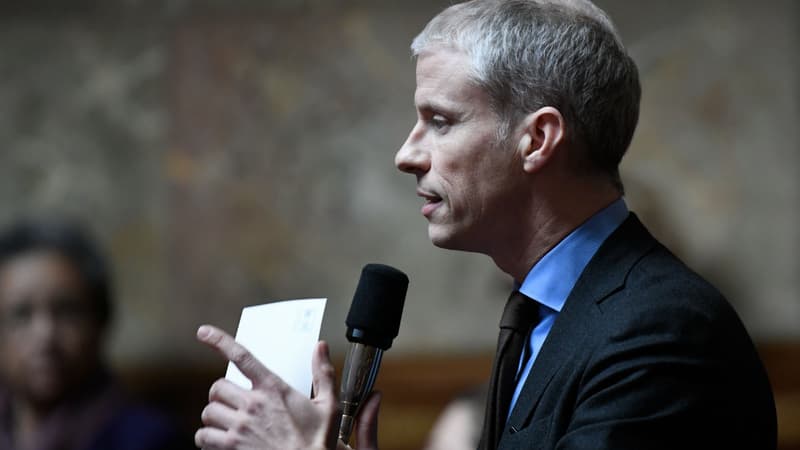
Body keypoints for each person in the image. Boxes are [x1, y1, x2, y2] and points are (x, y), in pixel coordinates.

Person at [194, 0, 778, 449]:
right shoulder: (545, 312)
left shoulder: (663, 335)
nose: (407, 153)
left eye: (440, 121)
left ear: (537, 139)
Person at [0, 219, 185, 450]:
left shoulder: (149, 440)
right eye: (21, 315)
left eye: (67, 311)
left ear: (101, 321)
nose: (45, 335)